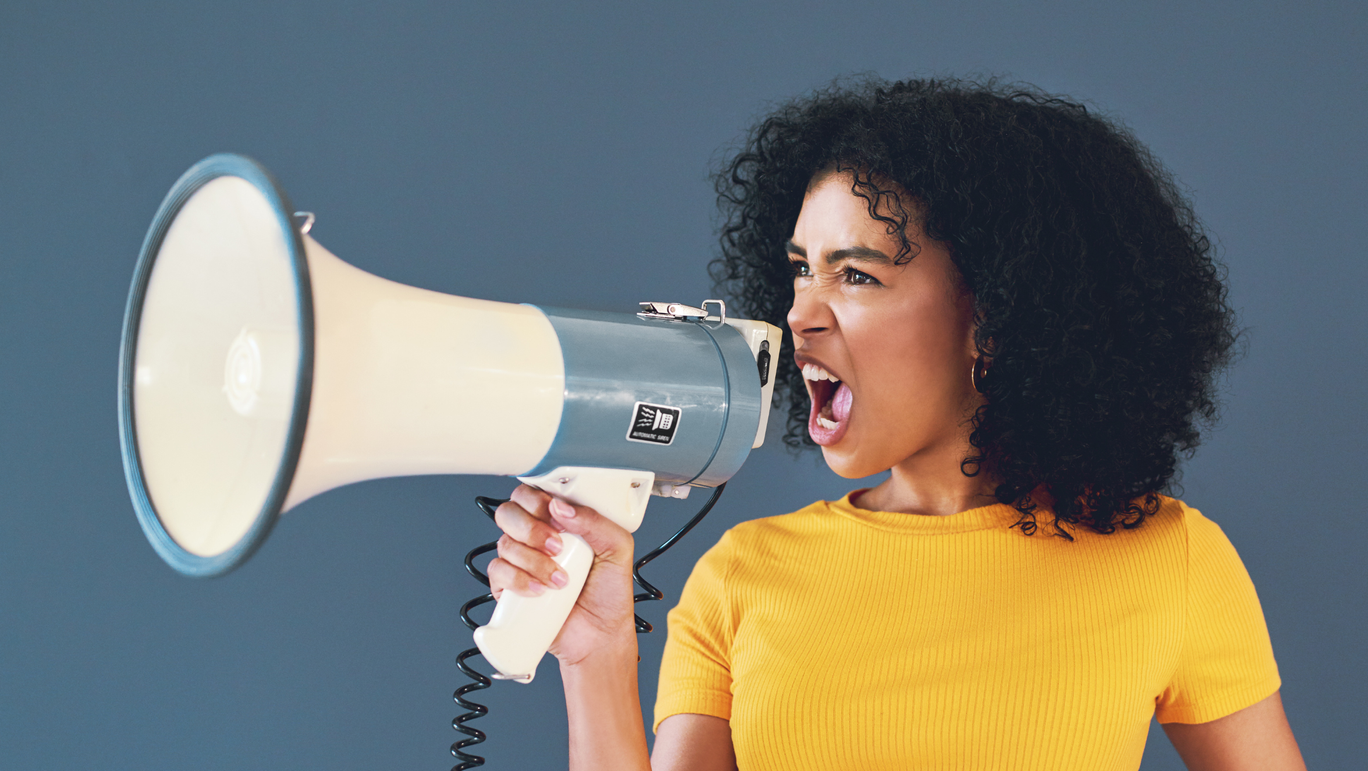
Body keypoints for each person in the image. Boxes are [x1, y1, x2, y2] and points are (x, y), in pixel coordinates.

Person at [486, 76, 1307, 770]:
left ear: (995, 315)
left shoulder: (1171, 560)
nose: (799, 314)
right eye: (801, 270)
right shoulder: (742, 578)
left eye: (856, 274)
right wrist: (596, 655)